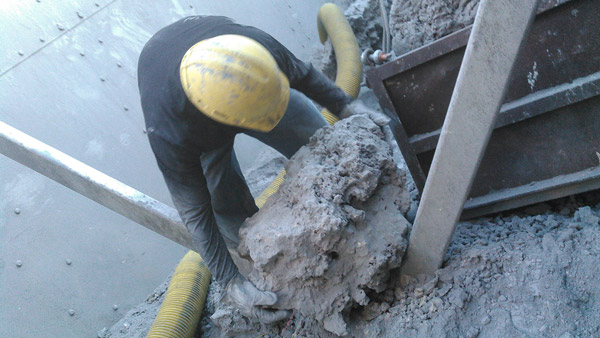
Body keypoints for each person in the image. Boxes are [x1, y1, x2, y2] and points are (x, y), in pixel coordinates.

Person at [137, 15, 388, 324]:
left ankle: (360, 213)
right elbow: (195, 213)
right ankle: (266, 265)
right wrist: (230, 281)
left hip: (247, 81)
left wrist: (349, 109)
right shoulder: (173, 131)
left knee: (324, 144)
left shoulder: (257, 52)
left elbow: (306, 77)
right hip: (190, 110)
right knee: (223, 205)